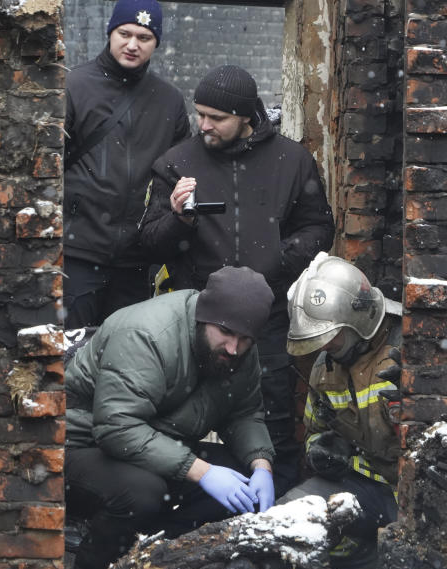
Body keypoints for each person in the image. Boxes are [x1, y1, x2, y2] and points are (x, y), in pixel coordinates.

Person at [138, 64, 334, 497]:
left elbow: (319, 228)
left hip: (269, 318)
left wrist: (273, 263)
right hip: (198, 323)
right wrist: (177, 219)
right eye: (200, 114)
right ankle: (187, 514)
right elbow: (150, 245)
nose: (204, 125)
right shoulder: (177, 163)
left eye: (217, 117)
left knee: (272, 423)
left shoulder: (292, 160)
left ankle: (276, 514)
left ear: (246, 116)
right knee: (182, 420)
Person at [64, 266, 278, 569]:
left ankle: (157, 563)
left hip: (160, 444)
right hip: (83, 445)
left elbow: (244, 412)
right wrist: (201, 471)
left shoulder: (238, 351)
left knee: (243, 484)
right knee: (143, 493)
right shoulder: (147, 335)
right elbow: (116, 427)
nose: (234, 348)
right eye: (225, 332)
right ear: (204, 317)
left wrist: (261, 466)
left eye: (245, 339)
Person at [278, 252, 403, 569]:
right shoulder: (325, 368)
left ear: (356, 321)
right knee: (289, 517)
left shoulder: (412, 348)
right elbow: (314, 430)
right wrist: (319, 451)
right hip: (363, 488)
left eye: (331, 337)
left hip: (412, 494)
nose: (326, 347)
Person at [63, 0, 190, 328]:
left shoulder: (170, 101)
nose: (133, 45)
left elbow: (175, 175)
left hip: (136, 262)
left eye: (145, 37)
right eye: (125, 33)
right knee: (68, 357)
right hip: (78, 254)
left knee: (123, 361)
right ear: (111, 32)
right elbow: (46, 167)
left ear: (156, 43)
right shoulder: (74, 87)